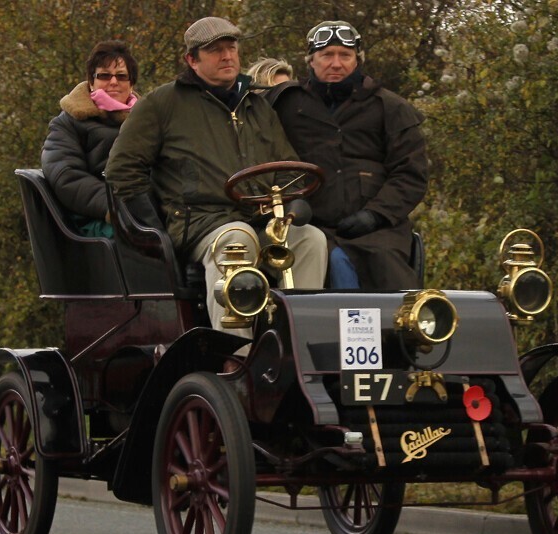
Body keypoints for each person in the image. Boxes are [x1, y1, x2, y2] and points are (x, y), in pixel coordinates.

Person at [105, 16, 327, 336]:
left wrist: (294, 204)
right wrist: (154, 230)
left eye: (231, 48)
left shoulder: (258, 106)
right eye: (215, 50)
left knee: (311, 240)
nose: (227, 56)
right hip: (201, 223)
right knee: (237, 240)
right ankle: (236, 358)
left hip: (260, 218)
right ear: (192, 60)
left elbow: (287, 169)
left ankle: (299, 347)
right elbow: (121, 170)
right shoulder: (162, 104)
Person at [267, 21, 428, 289]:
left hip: (378, 231)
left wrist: (375, 214)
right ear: (311, 60)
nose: (336, 63)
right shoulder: (285, 104)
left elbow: (411, 174)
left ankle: (393, 330)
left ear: (357, 60)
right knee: (323, 260)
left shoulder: (391, 107)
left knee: (384, 276)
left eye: (345, 55)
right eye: (327, 55)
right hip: (310, 225)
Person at [41, 40, 139, 238]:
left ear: (131, 84)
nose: (113, 82)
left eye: (121, 76)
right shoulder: (67, 124)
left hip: (147, 212)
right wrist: (117, 208)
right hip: (97, 220)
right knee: (156, 240)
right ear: (91, 81)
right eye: (104, 75)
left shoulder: (147, 122)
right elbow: (67, 177)